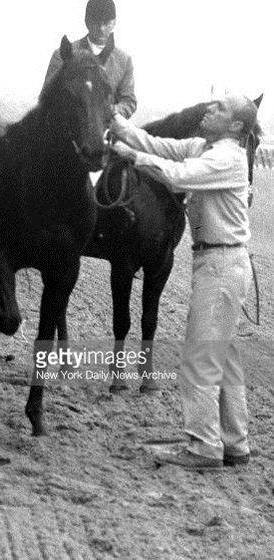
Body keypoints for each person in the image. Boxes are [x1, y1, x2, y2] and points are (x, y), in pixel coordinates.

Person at [110, 94, 258, 470]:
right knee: (223, 355)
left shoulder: (227, 157)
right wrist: (115, 120)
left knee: (200, 356)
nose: (209, 110)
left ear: (236, 126)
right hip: (220, 260)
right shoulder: (203, 147)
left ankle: (204, 446)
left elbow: (176, 174)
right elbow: (159, 144)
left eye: (220, 109)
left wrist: (133, 157)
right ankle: (234, 442)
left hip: (221, 262)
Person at [42, 0, 137, 119]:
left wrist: (109, 111)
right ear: (87, 21)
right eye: (97, 23)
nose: (102, 28)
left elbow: (129, 101)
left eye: (107, 23)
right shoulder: (63, 55)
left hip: (108, 128)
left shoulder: (124, 60)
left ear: (114, 23)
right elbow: (46, 97)